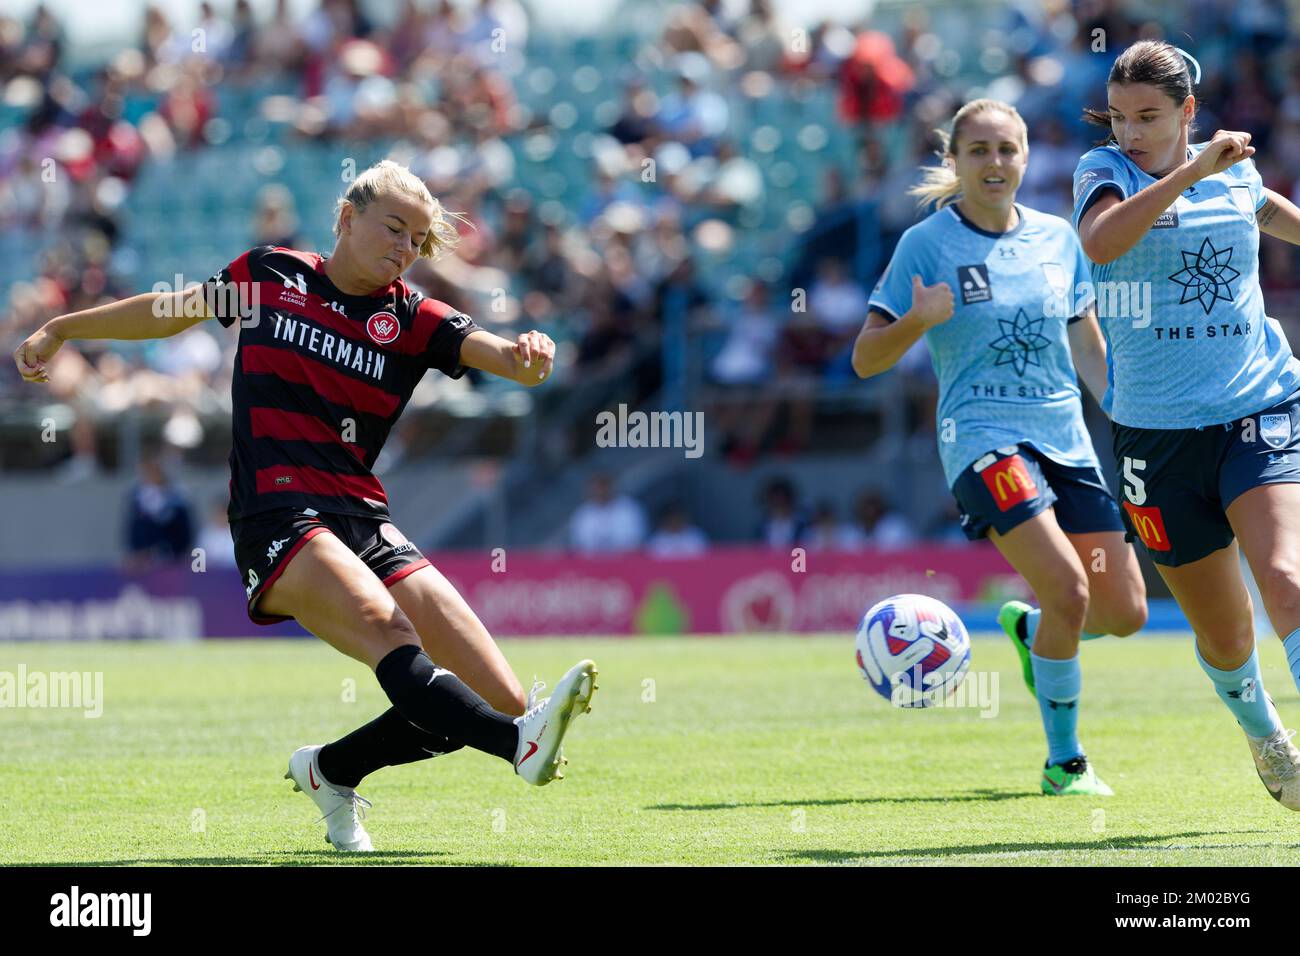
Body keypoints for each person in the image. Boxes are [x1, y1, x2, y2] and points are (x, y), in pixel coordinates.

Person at [13, 159, 598, 851]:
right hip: (276, 512)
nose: (405, 248)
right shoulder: (271, 275)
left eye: (416, 239)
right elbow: (170, 312)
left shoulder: (411, 316)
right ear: (346, 219)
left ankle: (332, 770)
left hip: (364, 518)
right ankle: (517, 748)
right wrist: (66, 327)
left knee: (489, 697)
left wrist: (528, 353)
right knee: (394, 637)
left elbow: (496, 354)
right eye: (394, 228)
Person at [854, 98, 1147, 796]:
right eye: (979, 150)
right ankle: (1064, 762)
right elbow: (866, 358)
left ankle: (1033, 635)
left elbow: (1087, 347)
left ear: (1025, 158)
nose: (995, 163)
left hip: (1067, 442)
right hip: (982, 441)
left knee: (1125, 612)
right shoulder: (925, 245)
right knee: (1069, 588)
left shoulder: (1057, 239)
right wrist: (914, 323)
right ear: (953, 162)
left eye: (1007, 149)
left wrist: (1134, 418)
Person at [1073, 41, 1300, 809]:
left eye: (1150, 117)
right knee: (1229, 638)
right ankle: (1263, 731)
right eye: (1121, 117)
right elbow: (1101, 244)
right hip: (1155, 439)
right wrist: (1191, 172)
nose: (1131, 131)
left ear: (1188, 112)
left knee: (1288, 583)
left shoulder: (1228, 165)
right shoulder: (1102, 174)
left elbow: (1263, 209)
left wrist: (1220, 175)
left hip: (1257, 408)